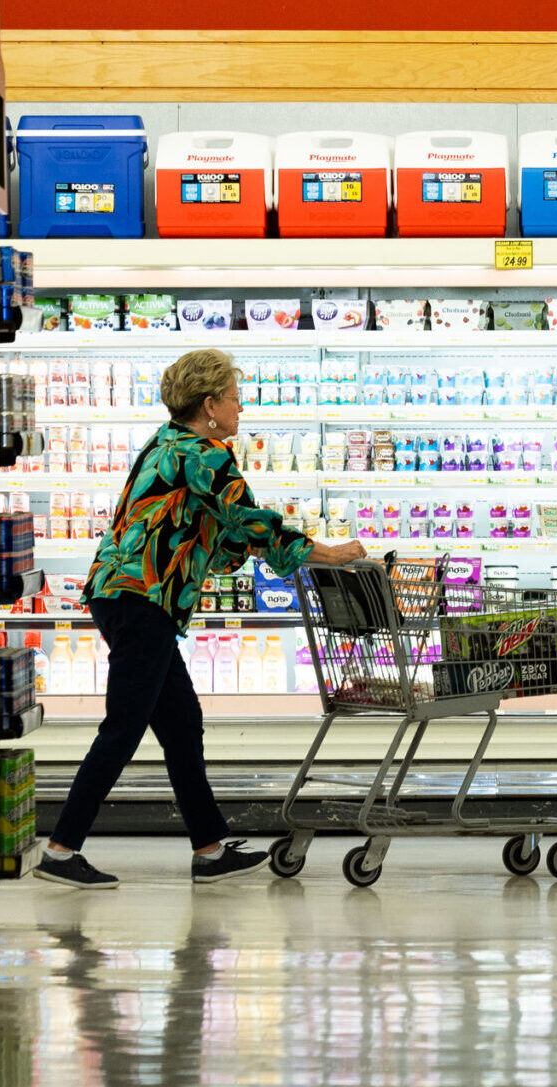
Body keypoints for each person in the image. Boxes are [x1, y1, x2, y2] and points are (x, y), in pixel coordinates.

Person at [35, 349, 364, 889]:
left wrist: (256, 551)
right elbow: (251, 524)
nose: (242, 408)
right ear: (210, 405)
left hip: (127, 593)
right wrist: (324, 554)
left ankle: (209, 850)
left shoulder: (166, 443)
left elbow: (223, 532)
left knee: (182, 724)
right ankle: (60, 848)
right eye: (235, 398)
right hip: (143, 598)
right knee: (123, 726)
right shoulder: (206, 454)